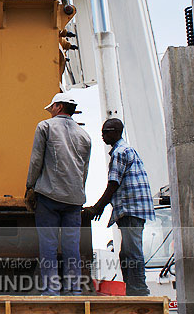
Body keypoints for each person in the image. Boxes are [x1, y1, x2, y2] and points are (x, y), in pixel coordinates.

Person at [25, 93, 91, 295]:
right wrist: (78, 193)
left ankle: (51, 290)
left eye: (52, 107)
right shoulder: (84, 135)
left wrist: (30, 186)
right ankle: (74, 291)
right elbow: (84, 171)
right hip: (74, 199)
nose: (50, 111)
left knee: (49, 245)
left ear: (59, 106)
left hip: (49, 196)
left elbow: (36, 160)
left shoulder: (45, 126)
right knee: (72, 247)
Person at [84, 118, 155, 296]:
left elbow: (113, 184)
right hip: (133, 207)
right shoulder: (125, 150)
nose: (103, 135)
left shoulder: (120, 152)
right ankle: (133, 288)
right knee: (126, 254)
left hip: (132, 207)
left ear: (116, 132)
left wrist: (97, 207)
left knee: (132, 252)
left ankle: (139, 289)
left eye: (106, 131)